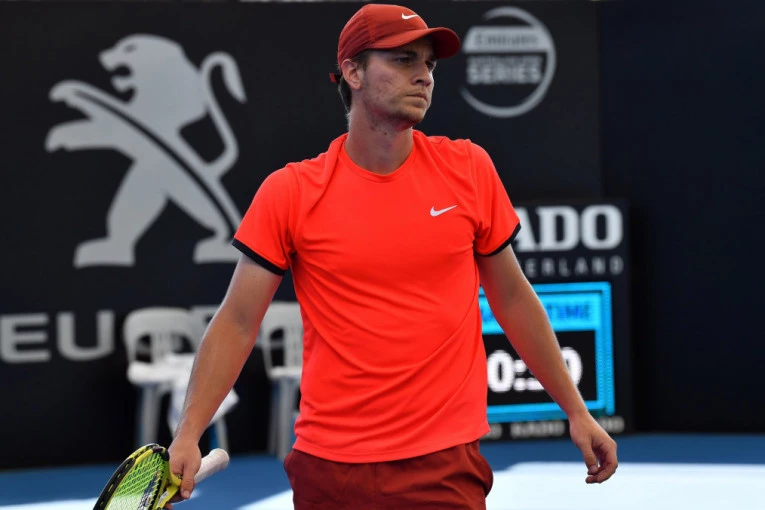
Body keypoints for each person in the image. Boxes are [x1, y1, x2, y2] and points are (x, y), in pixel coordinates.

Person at [167, 4, 618, 508]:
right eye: (404, 60)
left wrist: (576, 411)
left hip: (445, 465)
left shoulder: (469, 169)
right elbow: (237, 321)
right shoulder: (289, 191)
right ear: (353, 72)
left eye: (429, 63)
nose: (424, 75)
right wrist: (188, 433)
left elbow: (513, 299)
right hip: (330, 469)